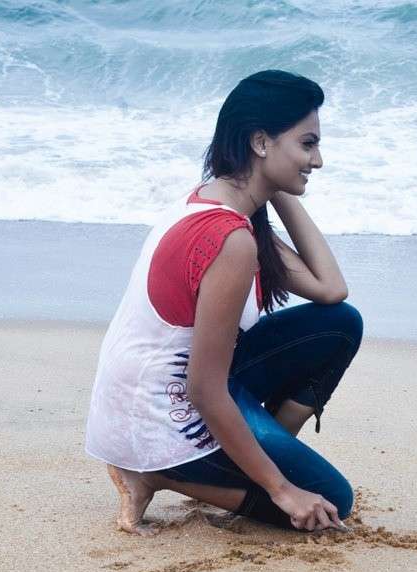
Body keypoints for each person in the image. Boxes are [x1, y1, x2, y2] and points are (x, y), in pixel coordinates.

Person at [85, 70, 362, 535]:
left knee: (339, 324)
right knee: (334, 501)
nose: (318, 160)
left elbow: (330, 290)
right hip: (160, 417)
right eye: (307, 144)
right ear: (260, 142)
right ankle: (158, 473)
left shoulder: (226, 206)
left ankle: (254, 457)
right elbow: (203, 389)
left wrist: (273, 186)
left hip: (170, 390)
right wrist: (282, 490)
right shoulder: (228, 239)